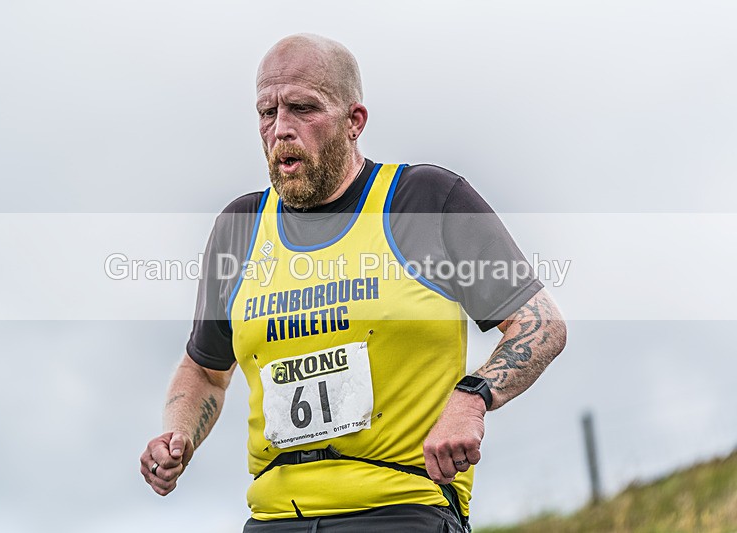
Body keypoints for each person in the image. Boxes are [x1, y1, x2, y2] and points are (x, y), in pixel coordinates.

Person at [140, 33, 567, 532]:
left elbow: (540, 323)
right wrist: (177, 434)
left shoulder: (424, 200)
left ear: (354, 121)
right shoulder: (240, 228)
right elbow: (206, 370)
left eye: (302, 108)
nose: (281, 129)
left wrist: (471, 399)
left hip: (403, 510)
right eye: (266, 112)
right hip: (275, 518)